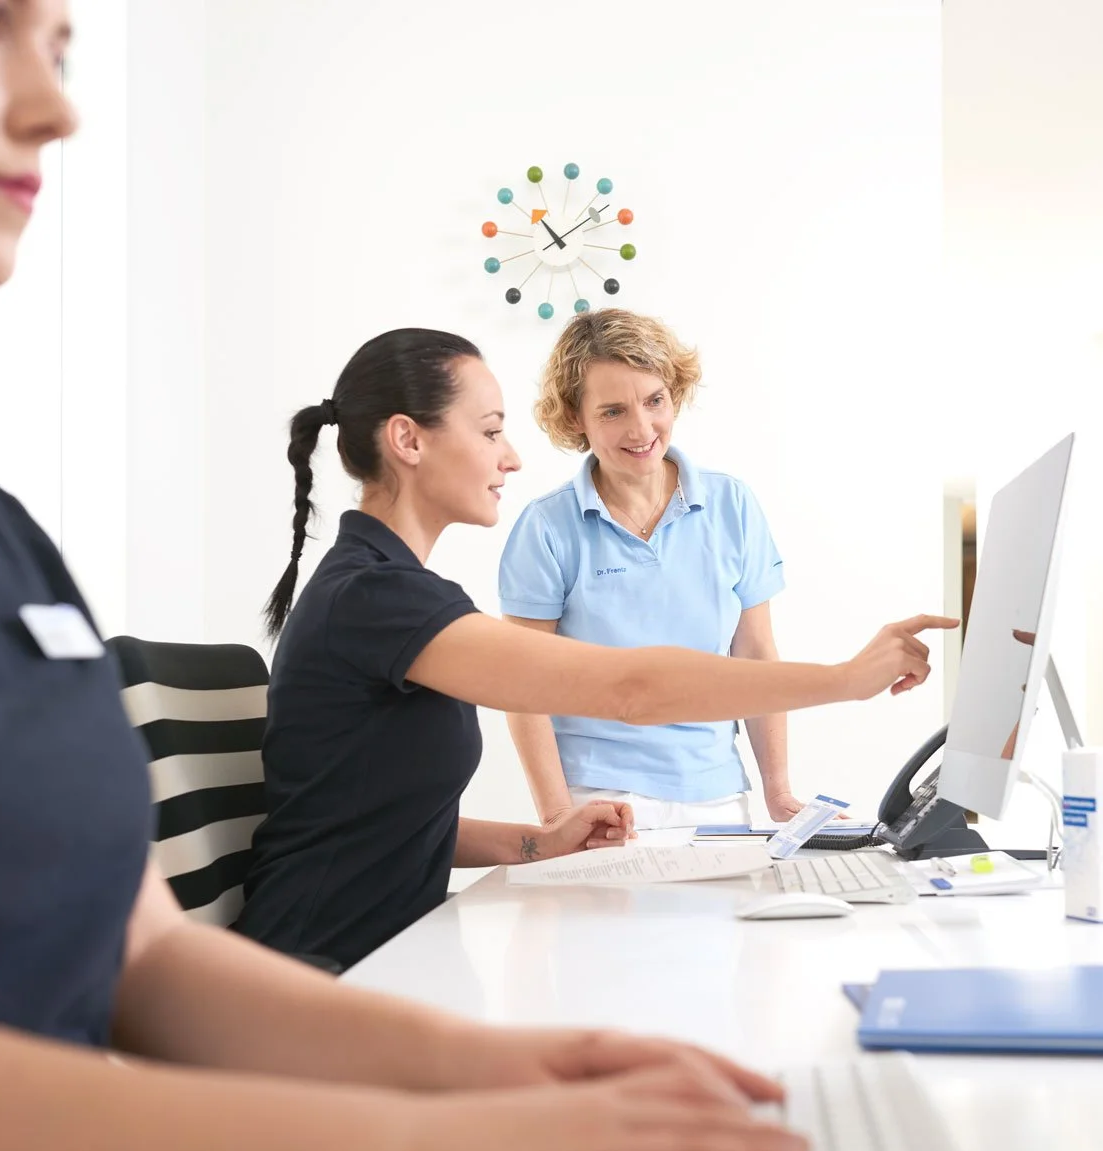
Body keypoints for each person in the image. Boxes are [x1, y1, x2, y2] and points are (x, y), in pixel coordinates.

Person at [0, 4, 812, 1151]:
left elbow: (137, 955)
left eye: (60, 48)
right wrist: (435, 1141)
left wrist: (495, 1069)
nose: (58, 108)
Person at [239, 328, 955, 968]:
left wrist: (536, 844)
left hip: (383, 949)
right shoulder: (378, 599)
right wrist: (846, 678)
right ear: (409, 440)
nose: (512, 458)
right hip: (327, 966)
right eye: (490, 432)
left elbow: (384, 821)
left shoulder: (388, 590)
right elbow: (630, 690)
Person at [499, 310, 810, 830]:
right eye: (614, 411)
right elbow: (522, 686)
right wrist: (557, 816)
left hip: (717, 794)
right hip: (596, 797)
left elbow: (754, 654)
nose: (642, 429)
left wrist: (778, 792)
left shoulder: (731, 504)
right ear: (576, 417)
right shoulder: (546, 527)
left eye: (654, 401)